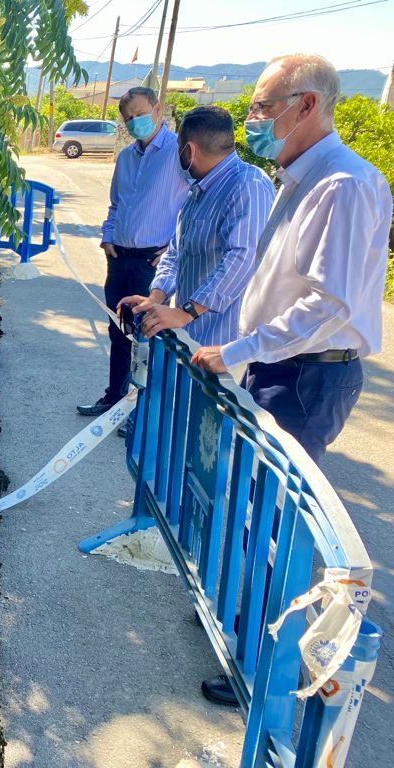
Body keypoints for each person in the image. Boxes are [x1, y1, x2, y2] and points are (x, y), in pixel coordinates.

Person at [191, 54, 393, 706]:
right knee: (253, 513)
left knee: (275, 525)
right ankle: (246, 634)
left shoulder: (343, 186)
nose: (253, 120)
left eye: (263, 106)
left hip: (306, 377)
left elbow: (326, 306)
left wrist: (238, 348)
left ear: (305, 105)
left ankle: (267, 674)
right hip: (281, 369)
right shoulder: (299, 180)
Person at [117, 106, 275, 346]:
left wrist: (185, 312)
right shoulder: (198, 192)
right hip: (192, 338)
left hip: (225, 344)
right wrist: (156, 297)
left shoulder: (248, 185)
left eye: (178, 148)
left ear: (188, 150)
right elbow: (176, 253)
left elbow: (243, 257)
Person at [76, 87, 190, 416]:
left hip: (152, 263)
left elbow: (191, 205)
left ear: (158, 109)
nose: (135, 121)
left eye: (140, 114)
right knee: (118, 329)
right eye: (129, 118)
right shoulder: (126, 157)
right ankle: (114, 397)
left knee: (148, 337)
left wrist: (173, 249)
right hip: (120, 259)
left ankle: (141, 411)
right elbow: (116, 204)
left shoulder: (177, 153)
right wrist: (108, 238)